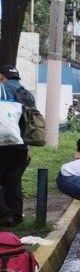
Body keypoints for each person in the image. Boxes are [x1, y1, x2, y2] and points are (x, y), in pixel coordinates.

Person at [0, 65, 34, 226]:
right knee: (13, 179)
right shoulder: (26, 93)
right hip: (21, 144)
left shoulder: (2, 88)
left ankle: (4, 214)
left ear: (1, 77)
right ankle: (16, 216)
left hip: (3, 142)